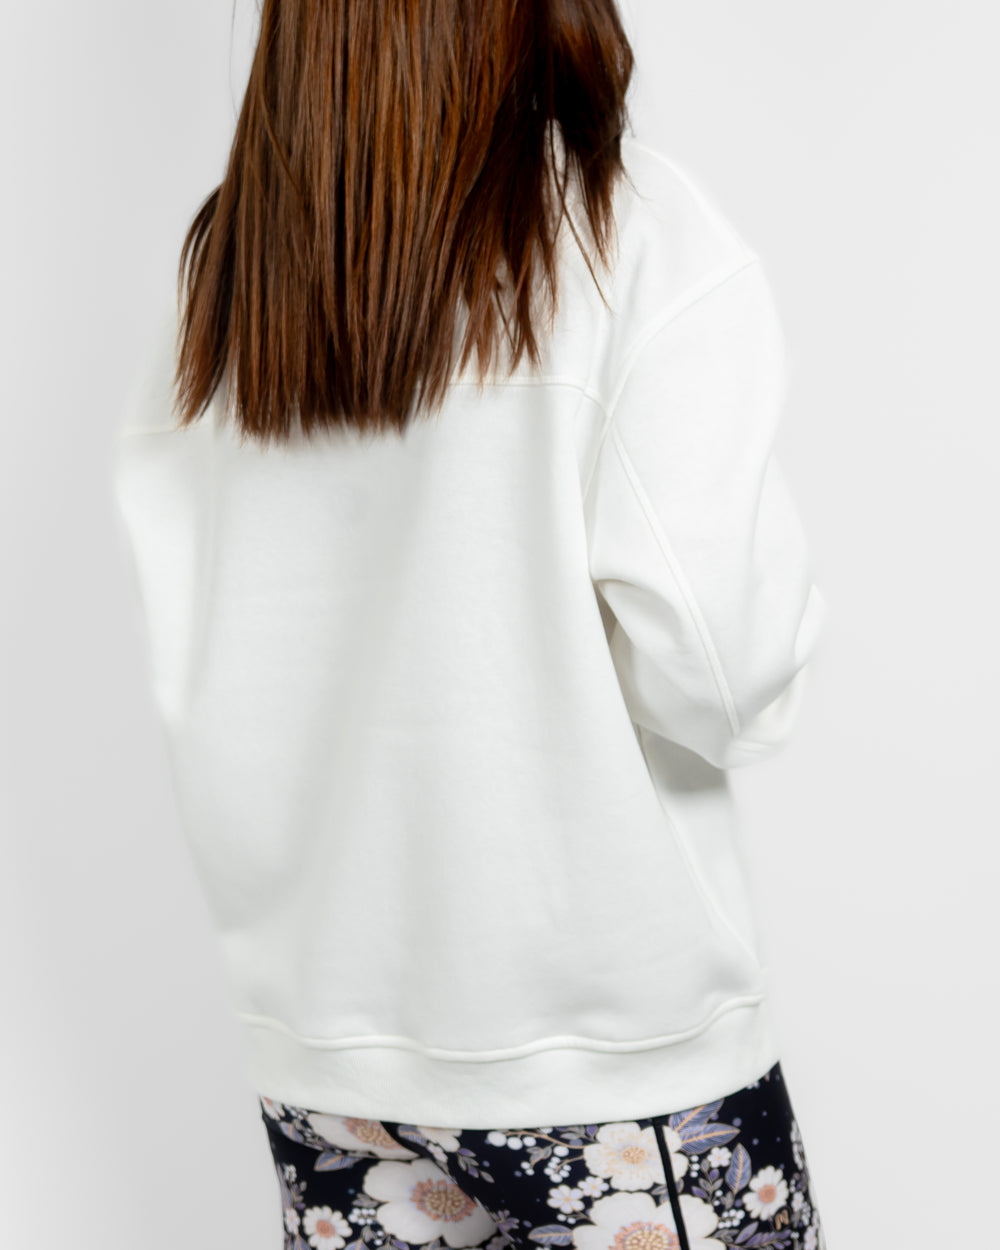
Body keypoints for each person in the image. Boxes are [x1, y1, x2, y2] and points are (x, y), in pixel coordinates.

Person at [110, 2, 830, 1247]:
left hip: (333, 1060)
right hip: (608, 1057)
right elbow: (723, 672)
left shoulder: (231, 270)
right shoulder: (622, 231)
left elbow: (203, 655)